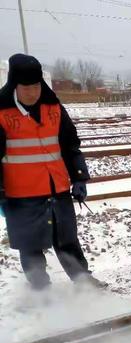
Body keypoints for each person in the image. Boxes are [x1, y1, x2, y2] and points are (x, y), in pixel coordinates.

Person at [0, 53, 102, 291]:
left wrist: (78, 176)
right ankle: (41, 289)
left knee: (67, 239)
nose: (32, 93)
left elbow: (70, 145)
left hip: (57, 188)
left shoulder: (53, 107)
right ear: (15, 85)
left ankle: (83, 281)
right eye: (26, 88)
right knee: (30, 245)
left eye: (36, 86)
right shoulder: (2, 112)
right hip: (20, 194)